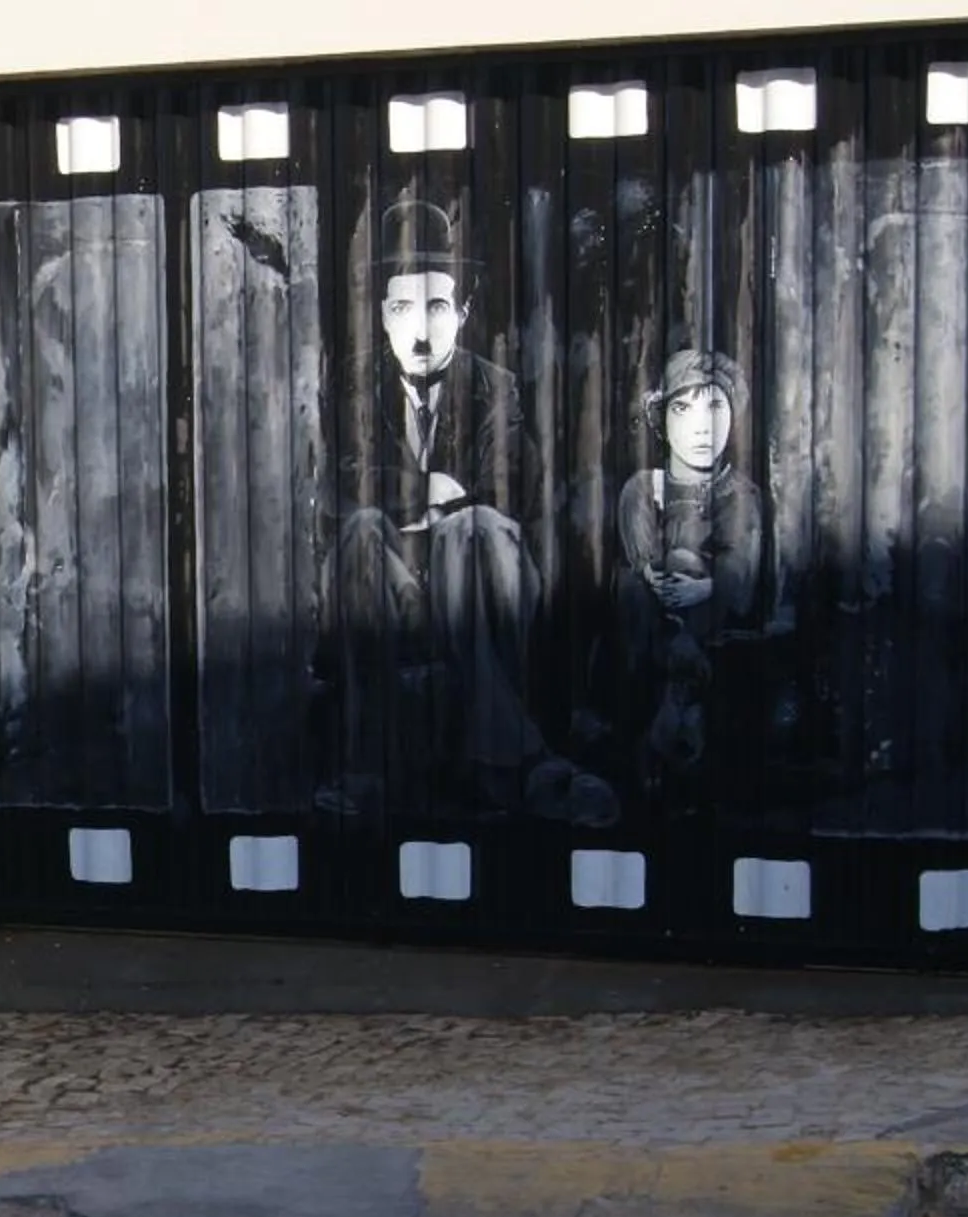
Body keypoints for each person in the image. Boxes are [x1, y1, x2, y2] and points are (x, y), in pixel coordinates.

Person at [317, 198, 616, 827]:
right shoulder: (352, 384)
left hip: (481, 577)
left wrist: (443, 505)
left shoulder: (495, 386)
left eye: (436, 306)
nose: (420, 332)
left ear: (464, 312)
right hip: (397, 584)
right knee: (361, 530)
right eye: (402, 308)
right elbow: (341, 482)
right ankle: (512, 764)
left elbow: (512, 484)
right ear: (380, 314)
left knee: (472, 529)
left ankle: (478, 762)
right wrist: (426, 490)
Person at [612, 349, 775, 790]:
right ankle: (661, 721)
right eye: (683, 408)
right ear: (662, 419)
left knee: (685, 566)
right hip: (650, 623)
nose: (702, 425)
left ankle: (677, 723)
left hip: (707, 622)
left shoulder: (742, 495)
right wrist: (654, 578)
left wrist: (704, 589)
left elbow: (739, 577)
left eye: (715, 406)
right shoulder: (642, 488)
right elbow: (640, 555)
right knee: (635, 586)